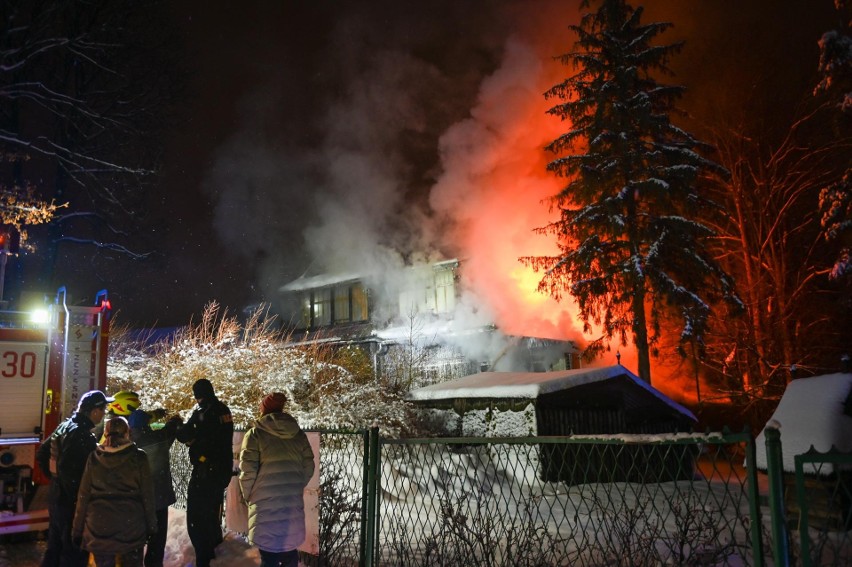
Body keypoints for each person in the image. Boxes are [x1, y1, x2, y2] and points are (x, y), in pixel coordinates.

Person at [36, 390, 113, 567]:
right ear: (94, 411)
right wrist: (77, 495)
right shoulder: (81, 435)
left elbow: (42, 453)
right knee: (73, 552)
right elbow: (70, 470)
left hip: (57, 497)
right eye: (103, 410)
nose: (103, 415)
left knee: (55, 548)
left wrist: (54, 479)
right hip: (71, 503)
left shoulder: (65, 425)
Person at [239, 392, 315, 567]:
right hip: (291, 503)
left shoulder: (255, 435)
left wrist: (250, 496)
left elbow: (247, 472)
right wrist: (294, 485)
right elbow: (309, 467)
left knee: (268, 557)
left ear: (263, 409)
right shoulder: (298, 435)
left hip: (264, 505)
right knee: (289, 554)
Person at [72, 416, 157, 567]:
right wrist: (152, 527)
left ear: (106, 432)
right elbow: (147, 495)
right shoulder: (139, 457)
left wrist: (77, 530)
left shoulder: (94, 458)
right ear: (127, 433)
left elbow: (83, 496)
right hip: (130, 528)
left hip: (98, 528)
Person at [176, 378, 234, 567]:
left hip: (205, 470)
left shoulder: (205, 411)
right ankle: (214, 549)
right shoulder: (223, 409)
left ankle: (204, 556)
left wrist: (188, 438)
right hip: (220, 471)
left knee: (197, 516)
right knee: (212, 511)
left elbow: (193, 435)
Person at [128, 407, 183, 567]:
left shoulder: (127, 445)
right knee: (157, 543)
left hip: (136, 501)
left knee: (136, 541)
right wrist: (174, 420)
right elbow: (170, 429)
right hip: (158, 499)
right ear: (147, 424)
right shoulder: (159, 438)